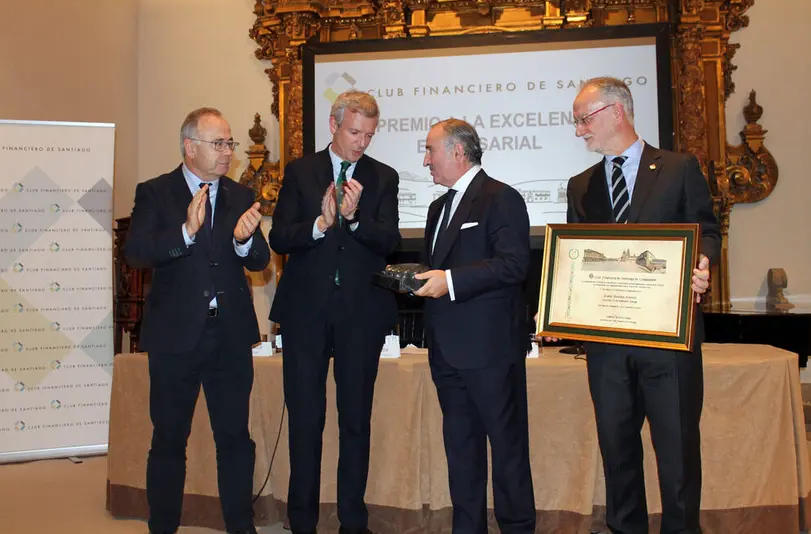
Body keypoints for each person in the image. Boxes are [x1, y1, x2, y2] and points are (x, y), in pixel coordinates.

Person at [565, 77, 721, 534]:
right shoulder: (580, 185)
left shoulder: (677, 168)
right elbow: (577, 256)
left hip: (667, 341)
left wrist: (703, 261)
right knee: (617, 454)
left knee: (676, 455)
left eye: (583, 119)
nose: (579, 131)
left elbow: (705, 229)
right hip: (607, 346)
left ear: (616, 112)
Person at [125, 107, 270, 534]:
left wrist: (244, 242)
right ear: (190, 147)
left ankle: (240, 527)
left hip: (228, 336)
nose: (229, 152)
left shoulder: (241, 196)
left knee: (235, 442)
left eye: (230, 143)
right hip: (175, 338)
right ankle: (163, 527)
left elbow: (261, 260)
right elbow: (136, 252)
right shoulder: (155, 192)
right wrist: (186, 234)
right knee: (169, 441)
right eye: (219, 143)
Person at [268, 90, 400, 534]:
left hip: (361, 315)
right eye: (354, 132)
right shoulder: (301, 172)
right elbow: (280, 239)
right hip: (306, 313)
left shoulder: (383, 177)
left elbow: (390, 241)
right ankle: (301, 520)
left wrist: (356, 218)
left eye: (368, 135)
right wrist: (322, 224)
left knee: (355, 421)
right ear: (333, 125)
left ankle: (353, 521)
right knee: (306, 420)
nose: (362, 143)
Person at [413, 118, 536, 534]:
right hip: (446, 351)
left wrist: (448, 280)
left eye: (431, 150)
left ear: (458, 152)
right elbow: (439, 268)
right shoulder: (436, 207)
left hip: (490, 350)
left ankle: (517, 527)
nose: (426, 160)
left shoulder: (500, 198)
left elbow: (515, 264)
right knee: (461, 452)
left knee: (507, 451)